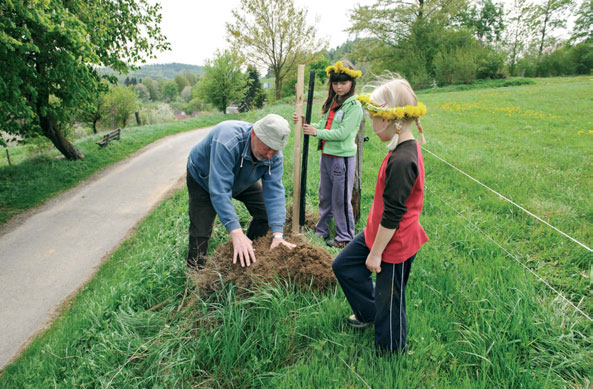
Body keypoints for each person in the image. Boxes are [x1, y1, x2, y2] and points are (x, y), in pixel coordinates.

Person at [331, 75, 428, 354]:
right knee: (344, 266)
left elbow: (394, 214)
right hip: (376, 232)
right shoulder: (399, 147)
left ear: (387, 120)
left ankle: (390, 352)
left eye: (372, 116)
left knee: (391, 300)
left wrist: (376, 254)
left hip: (393, 244)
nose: (370, 123)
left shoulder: (403, 160)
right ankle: (368, 312)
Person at [185, 114, 296, 269]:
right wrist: (235, 232)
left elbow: (275, 191)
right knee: (201, 229)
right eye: (268, 148)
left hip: (243, 177)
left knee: (264, 212)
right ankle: (195, 274)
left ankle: (248, 251)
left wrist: (278, 234)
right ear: (254, 135)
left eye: (275, 150)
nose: (270, 155)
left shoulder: (273, 157)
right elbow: (220, 191)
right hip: (206, 177)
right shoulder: (227, 141)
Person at [293, 60, 363, 248]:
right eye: (335, 83)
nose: (339, 87)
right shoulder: (334, 102)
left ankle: (345, 237)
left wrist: (315, 133)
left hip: (342, 159)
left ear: (352, 83)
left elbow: (342, 133)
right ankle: (321, 230)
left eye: (343, 82)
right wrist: (306, 124)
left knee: (340, 199)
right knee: (325, 196)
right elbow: (325, 126)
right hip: (327, 156)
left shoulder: (354, 106)